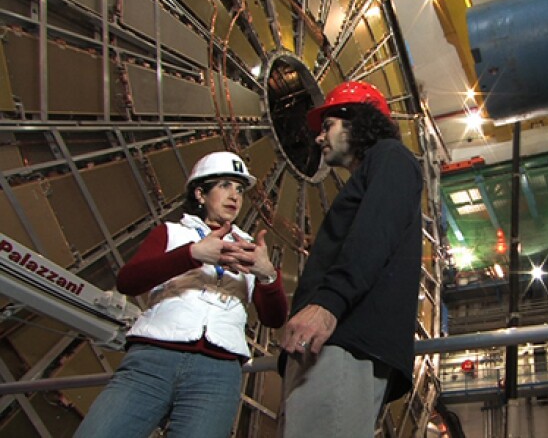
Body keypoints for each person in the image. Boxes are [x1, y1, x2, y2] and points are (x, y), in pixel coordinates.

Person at [75, 151, 288, 438]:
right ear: (200, 193)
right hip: (152, 360)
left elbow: (273, 319)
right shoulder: (172, 233)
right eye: (224, 185)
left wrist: (268, 275)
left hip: (218, 373)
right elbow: (128, 281)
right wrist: (191, 255)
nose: (235, 196)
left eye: (239, 189)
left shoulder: (249, 249)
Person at [278, 80, 424, 437]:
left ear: (357, 122)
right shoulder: (378, 169)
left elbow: (375, 234)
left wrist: (328, 303)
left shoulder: (391, 156)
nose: (318, 137)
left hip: (343, 340)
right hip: (335, 341)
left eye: (328, 125)